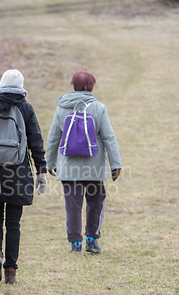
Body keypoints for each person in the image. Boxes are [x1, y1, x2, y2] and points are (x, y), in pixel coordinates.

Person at [0, 69, 47, 284]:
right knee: (14, 223)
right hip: (19, 169)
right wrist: (41, 169)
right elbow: (35, 140)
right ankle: (11, 271)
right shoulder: (25, 108)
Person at [46, 70, 122, 254]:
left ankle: (75, 244)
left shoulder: (61, 107)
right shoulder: (99, 108)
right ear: (92, 86)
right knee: (96, 202)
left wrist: (50, 162)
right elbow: (109, 137)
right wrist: (115, 164)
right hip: (94, 169)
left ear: (73, 85)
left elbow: (53, 137)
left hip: (68, 168)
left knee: (72, 206)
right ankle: (92, 240)